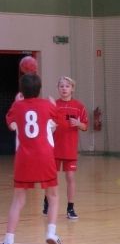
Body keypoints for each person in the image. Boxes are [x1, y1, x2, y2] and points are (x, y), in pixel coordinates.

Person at [2, 74, 64, 244]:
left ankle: (8, 242)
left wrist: (16, 103)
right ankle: (51, 232)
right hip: (45, 156)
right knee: (53, 196)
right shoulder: (47, 105)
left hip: (24, 158)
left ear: (21, 90)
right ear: (39, 89)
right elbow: (56, 123)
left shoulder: (17, 107)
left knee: (18, 200)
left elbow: (12, 125)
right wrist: (53, 105)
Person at [43, 76, 88, 219]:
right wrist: (51, 127)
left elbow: (85, 126)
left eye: (67, 86)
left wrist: (78, 124)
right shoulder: (53, 105)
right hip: (54, 148)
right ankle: (47, 202)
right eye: (61, 86)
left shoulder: (79, 106)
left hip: (70, 149)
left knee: (70, 177)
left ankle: (70, 208)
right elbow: (46, 125)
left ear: (72, 89)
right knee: (51, 177)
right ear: (58, 88)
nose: (64, 88)